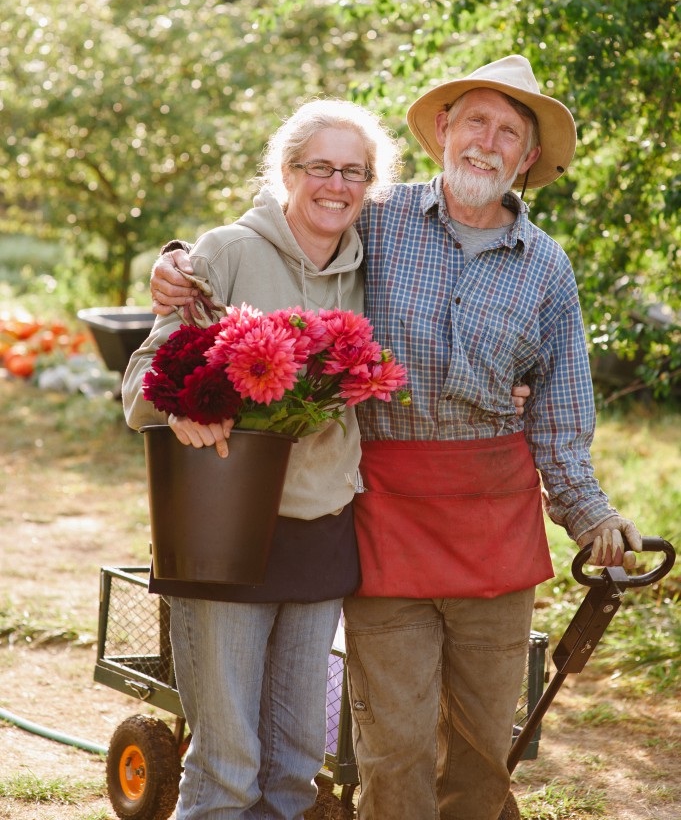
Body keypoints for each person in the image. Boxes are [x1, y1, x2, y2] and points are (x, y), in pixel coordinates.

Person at [149, 55, 641, 820]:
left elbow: (559, 412)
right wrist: (179, 262)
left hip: (492, 519)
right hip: (382, 512)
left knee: (483, 742)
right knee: (394, 741)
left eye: (507, 131)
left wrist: (591, 514)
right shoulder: (375, 219)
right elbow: (284, 234)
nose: (486, 142)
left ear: (528, 158)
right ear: (443, 130)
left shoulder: (547, 268)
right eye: (474, 120)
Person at [122, 99, 402, 820]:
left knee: (292, 771)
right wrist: (181, 410)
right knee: (226, 771)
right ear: (285, 171)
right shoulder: (227, 252)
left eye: (353, 172)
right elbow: (140, 383)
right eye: (318, 167)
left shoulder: (372, 266)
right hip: (224, 534)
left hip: (320, 528)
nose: (335, 185)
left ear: (370, 186)